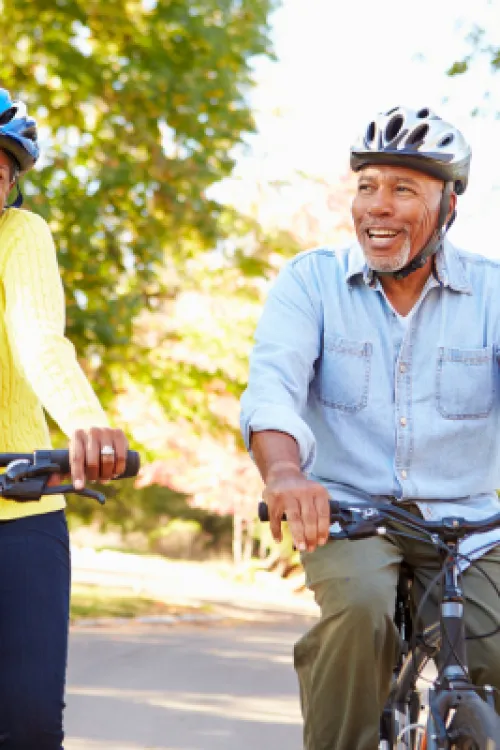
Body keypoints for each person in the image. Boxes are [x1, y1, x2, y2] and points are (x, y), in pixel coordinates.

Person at [240, 105, 500, 749]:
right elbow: (273, 390)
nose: (376, 207)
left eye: (403, 189)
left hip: (468, 523)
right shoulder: (311, 282)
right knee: (358, 616)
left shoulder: (493, 293)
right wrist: (285, 474)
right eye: (367, 186)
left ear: (448, 207)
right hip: (351, 515)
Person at [0, 89, 129, 748]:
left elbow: (36, 334)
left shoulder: (21, 236)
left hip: (18, 510)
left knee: (25, 723)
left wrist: (83, 419)